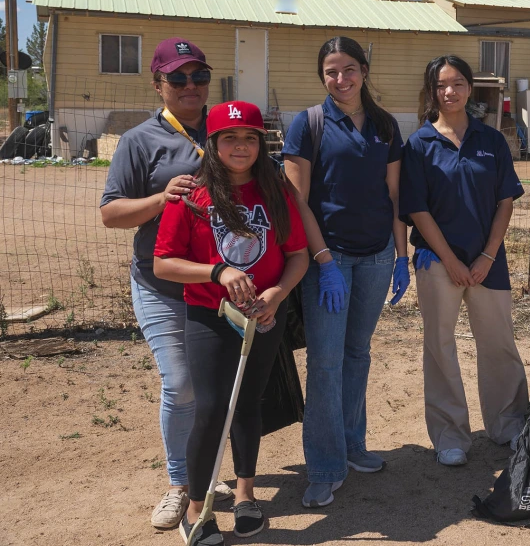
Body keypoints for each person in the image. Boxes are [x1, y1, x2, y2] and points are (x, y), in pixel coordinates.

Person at [154, 101, 309, 545]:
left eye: (249, 138)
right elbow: (163, 263)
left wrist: (277, 295)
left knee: (249, 403)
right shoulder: (192, 195)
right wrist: (217, 272)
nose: (240, 146)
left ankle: (245, 495)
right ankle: (198, 510)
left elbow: (296, 253)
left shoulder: (276, 192)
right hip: (210, 314)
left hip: (264, 314)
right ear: (213, 143)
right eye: (229, 138)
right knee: (211, 408)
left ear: (261, 144)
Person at [99, 37, 235, 528]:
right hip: (162, 283)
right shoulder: (140, 140)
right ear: (158, 84)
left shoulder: (227, 130)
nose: (190, 86)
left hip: (220, 284)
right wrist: (162, 197)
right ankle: (179, 484)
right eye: (177, 78)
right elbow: (111, 213)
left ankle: (207, 476)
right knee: (180, 385)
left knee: (215, 387)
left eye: (199, 77)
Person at [282, 36, 409, 507]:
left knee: (357, 355)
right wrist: (323, 262)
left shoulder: (385, 124)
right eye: (332, 71)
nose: (342, 79)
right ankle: (324, 464)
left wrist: (400, 256)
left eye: (349, 69)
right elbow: (296, 200)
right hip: (328, 261)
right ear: (323, 76)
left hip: (377, 257)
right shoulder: (308, 124)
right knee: (325, 362)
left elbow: (395, 195)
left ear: (364, 70)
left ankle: (353, 445)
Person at [400, 55, 528, 467]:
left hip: (489, 262)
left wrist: (489, 254)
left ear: (470, 88)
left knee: (499, 344)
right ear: (432, 92)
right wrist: (450, 260)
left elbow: (505, 200)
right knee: (440, 347)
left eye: (456, 83)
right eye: (441, 86)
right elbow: (418, 209)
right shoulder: (419, 144)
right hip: (438, 263)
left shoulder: (491, 141)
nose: (449, 92)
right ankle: (450, 435)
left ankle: (508, 424)